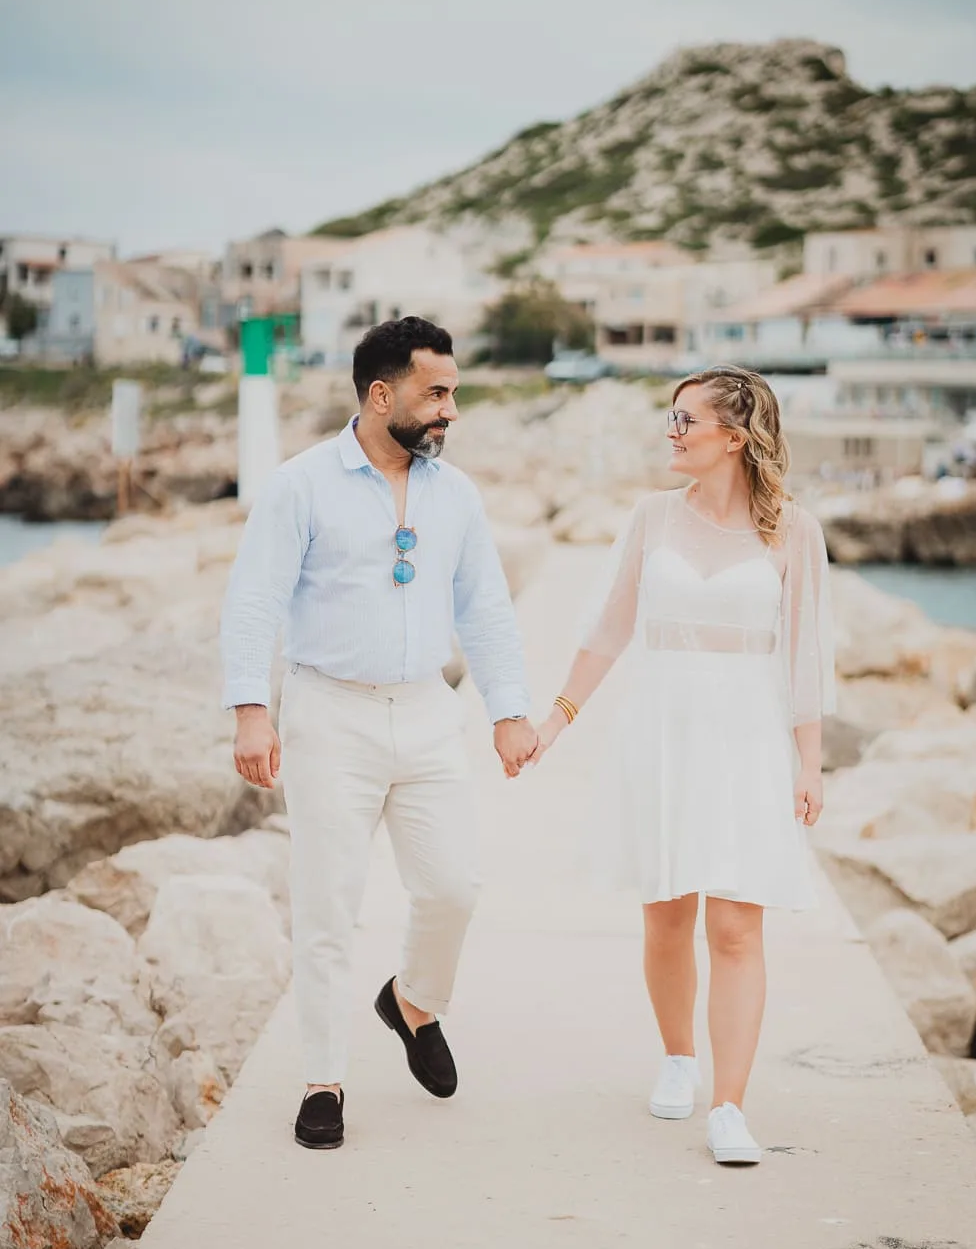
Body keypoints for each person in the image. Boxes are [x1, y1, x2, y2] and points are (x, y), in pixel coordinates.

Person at [220, 316, 538, 1150]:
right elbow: (255, 598)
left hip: (429, 710)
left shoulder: (455, 493)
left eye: (454, 393)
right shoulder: (301, 485)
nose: (451, 412)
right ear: (379, 394)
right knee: (328, 909)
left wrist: (508, 709)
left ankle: (412, 1002)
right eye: (438, 393)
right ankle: (323, 1080)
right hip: (330, 713)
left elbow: (487, 607)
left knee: (453, 889)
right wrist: (253, 707)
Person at [529, 365, 835, 1166]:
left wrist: (810, 764)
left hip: (746, 741)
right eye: (670, 418)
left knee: (736, 924)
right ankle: (677, 1056)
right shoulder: (651, 518)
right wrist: (555, 720)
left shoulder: (792, 531)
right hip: (660, 734)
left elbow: (807, 658)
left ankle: (730, 1107)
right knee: (666, 911)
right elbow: (608, 630)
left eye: (685, 420)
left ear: (733, 438)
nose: (671, 432)